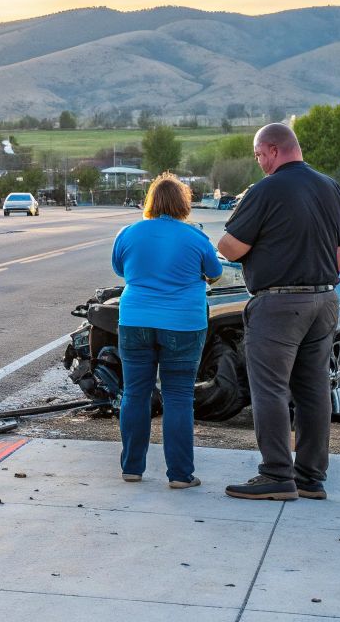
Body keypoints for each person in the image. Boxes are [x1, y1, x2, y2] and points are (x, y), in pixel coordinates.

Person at [216, 123, 340, 502]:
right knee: (313, 390)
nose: (259, 162)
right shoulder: (333, 188)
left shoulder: (266, 190)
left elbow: (231, 247)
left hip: (278, 304)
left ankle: (276, 473)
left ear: (272, 150)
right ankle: (311, 476)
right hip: (324, 300)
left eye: (259, 155)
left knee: (270, 388)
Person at [111, 173, 221, 488]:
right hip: (183, 324)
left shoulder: (128, 233)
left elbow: (121, 269)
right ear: (183, 204)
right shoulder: (196, 238)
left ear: (151, 202)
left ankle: (132, 467)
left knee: (135, 393)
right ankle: (180, 475)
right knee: (178, 396)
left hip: (135, 320)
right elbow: (214, 273)